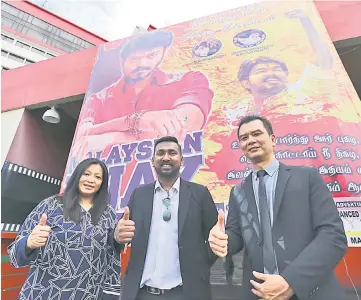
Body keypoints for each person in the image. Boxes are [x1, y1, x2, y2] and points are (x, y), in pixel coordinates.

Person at [208, 115, 348, 300]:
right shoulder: (238, 191)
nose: (250, 140)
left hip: (309, 291)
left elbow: (333, 236)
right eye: (244, 138)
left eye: (256, 134)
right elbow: (237, 236)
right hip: (259, 292)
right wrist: (222, 241)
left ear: (273, 140)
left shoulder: (307, 178)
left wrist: (291, 281)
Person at [71, 30, 214, 161]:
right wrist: (136, 121)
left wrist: (112, 137)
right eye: (134, 59)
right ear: (122, 62)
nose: (143, 64)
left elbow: (183, 126)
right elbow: (81, 134)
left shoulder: (189, 80)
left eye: (152, 55)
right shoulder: (98, 98)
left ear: (163, 53)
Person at [113, 136, 218, 300]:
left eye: (172, 153)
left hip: (187, 293)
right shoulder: (139, 195)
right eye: (160, 153)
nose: (166, 157)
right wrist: (117, 236)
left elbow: (216, 239)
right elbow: (121, 236)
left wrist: (200, 265)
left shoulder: (200, 194)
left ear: (181, 160)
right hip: (141, 293)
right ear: (153, 161)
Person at [8, 158, 121, 300]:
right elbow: (14, 256)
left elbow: (112, 259)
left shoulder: (108, 214)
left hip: (88, 295)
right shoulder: (50, 205)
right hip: (43, 293)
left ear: (102, 184)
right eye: (86, 174)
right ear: (77, 176)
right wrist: (29, 243)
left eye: (97, 177)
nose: (91, 180)